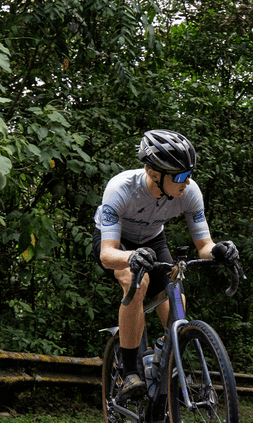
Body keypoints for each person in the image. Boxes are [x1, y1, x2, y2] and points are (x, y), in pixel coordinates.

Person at [92, 129, 240, 399]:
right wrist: (130, 257)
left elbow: (204, 246)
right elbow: (107, 254)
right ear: (152, 173)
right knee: (138, 283)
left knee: (175, 301)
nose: (186, 181)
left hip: (153, 240)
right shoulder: (120, 189)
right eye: (180, 175)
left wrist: (219, 251)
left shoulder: (189, 192)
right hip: (117, 243)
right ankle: (130, 373)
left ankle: (166, 388)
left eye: (189, 174)